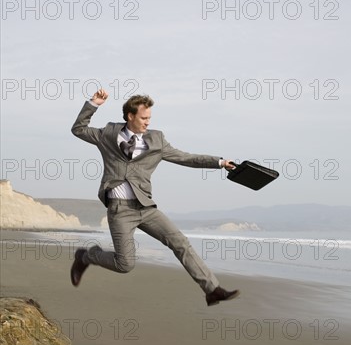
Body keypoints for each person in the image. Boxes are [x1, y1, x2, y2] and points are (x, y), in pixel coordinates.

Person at [70, 88, 240, 306]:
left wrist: (219, 162)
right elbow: (78, 129)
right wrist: (93, 105)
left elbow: (185, 158)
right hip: (120, 210)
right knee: (125, 264)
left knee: (180, 242)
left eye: (149, 118)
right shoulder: (108, 134)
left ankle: (212, 290)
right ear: (130, 116)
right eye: (143, 118)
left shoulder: (157, 140)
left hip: (146, 208)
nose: (147, 122)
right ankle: (87, 256)